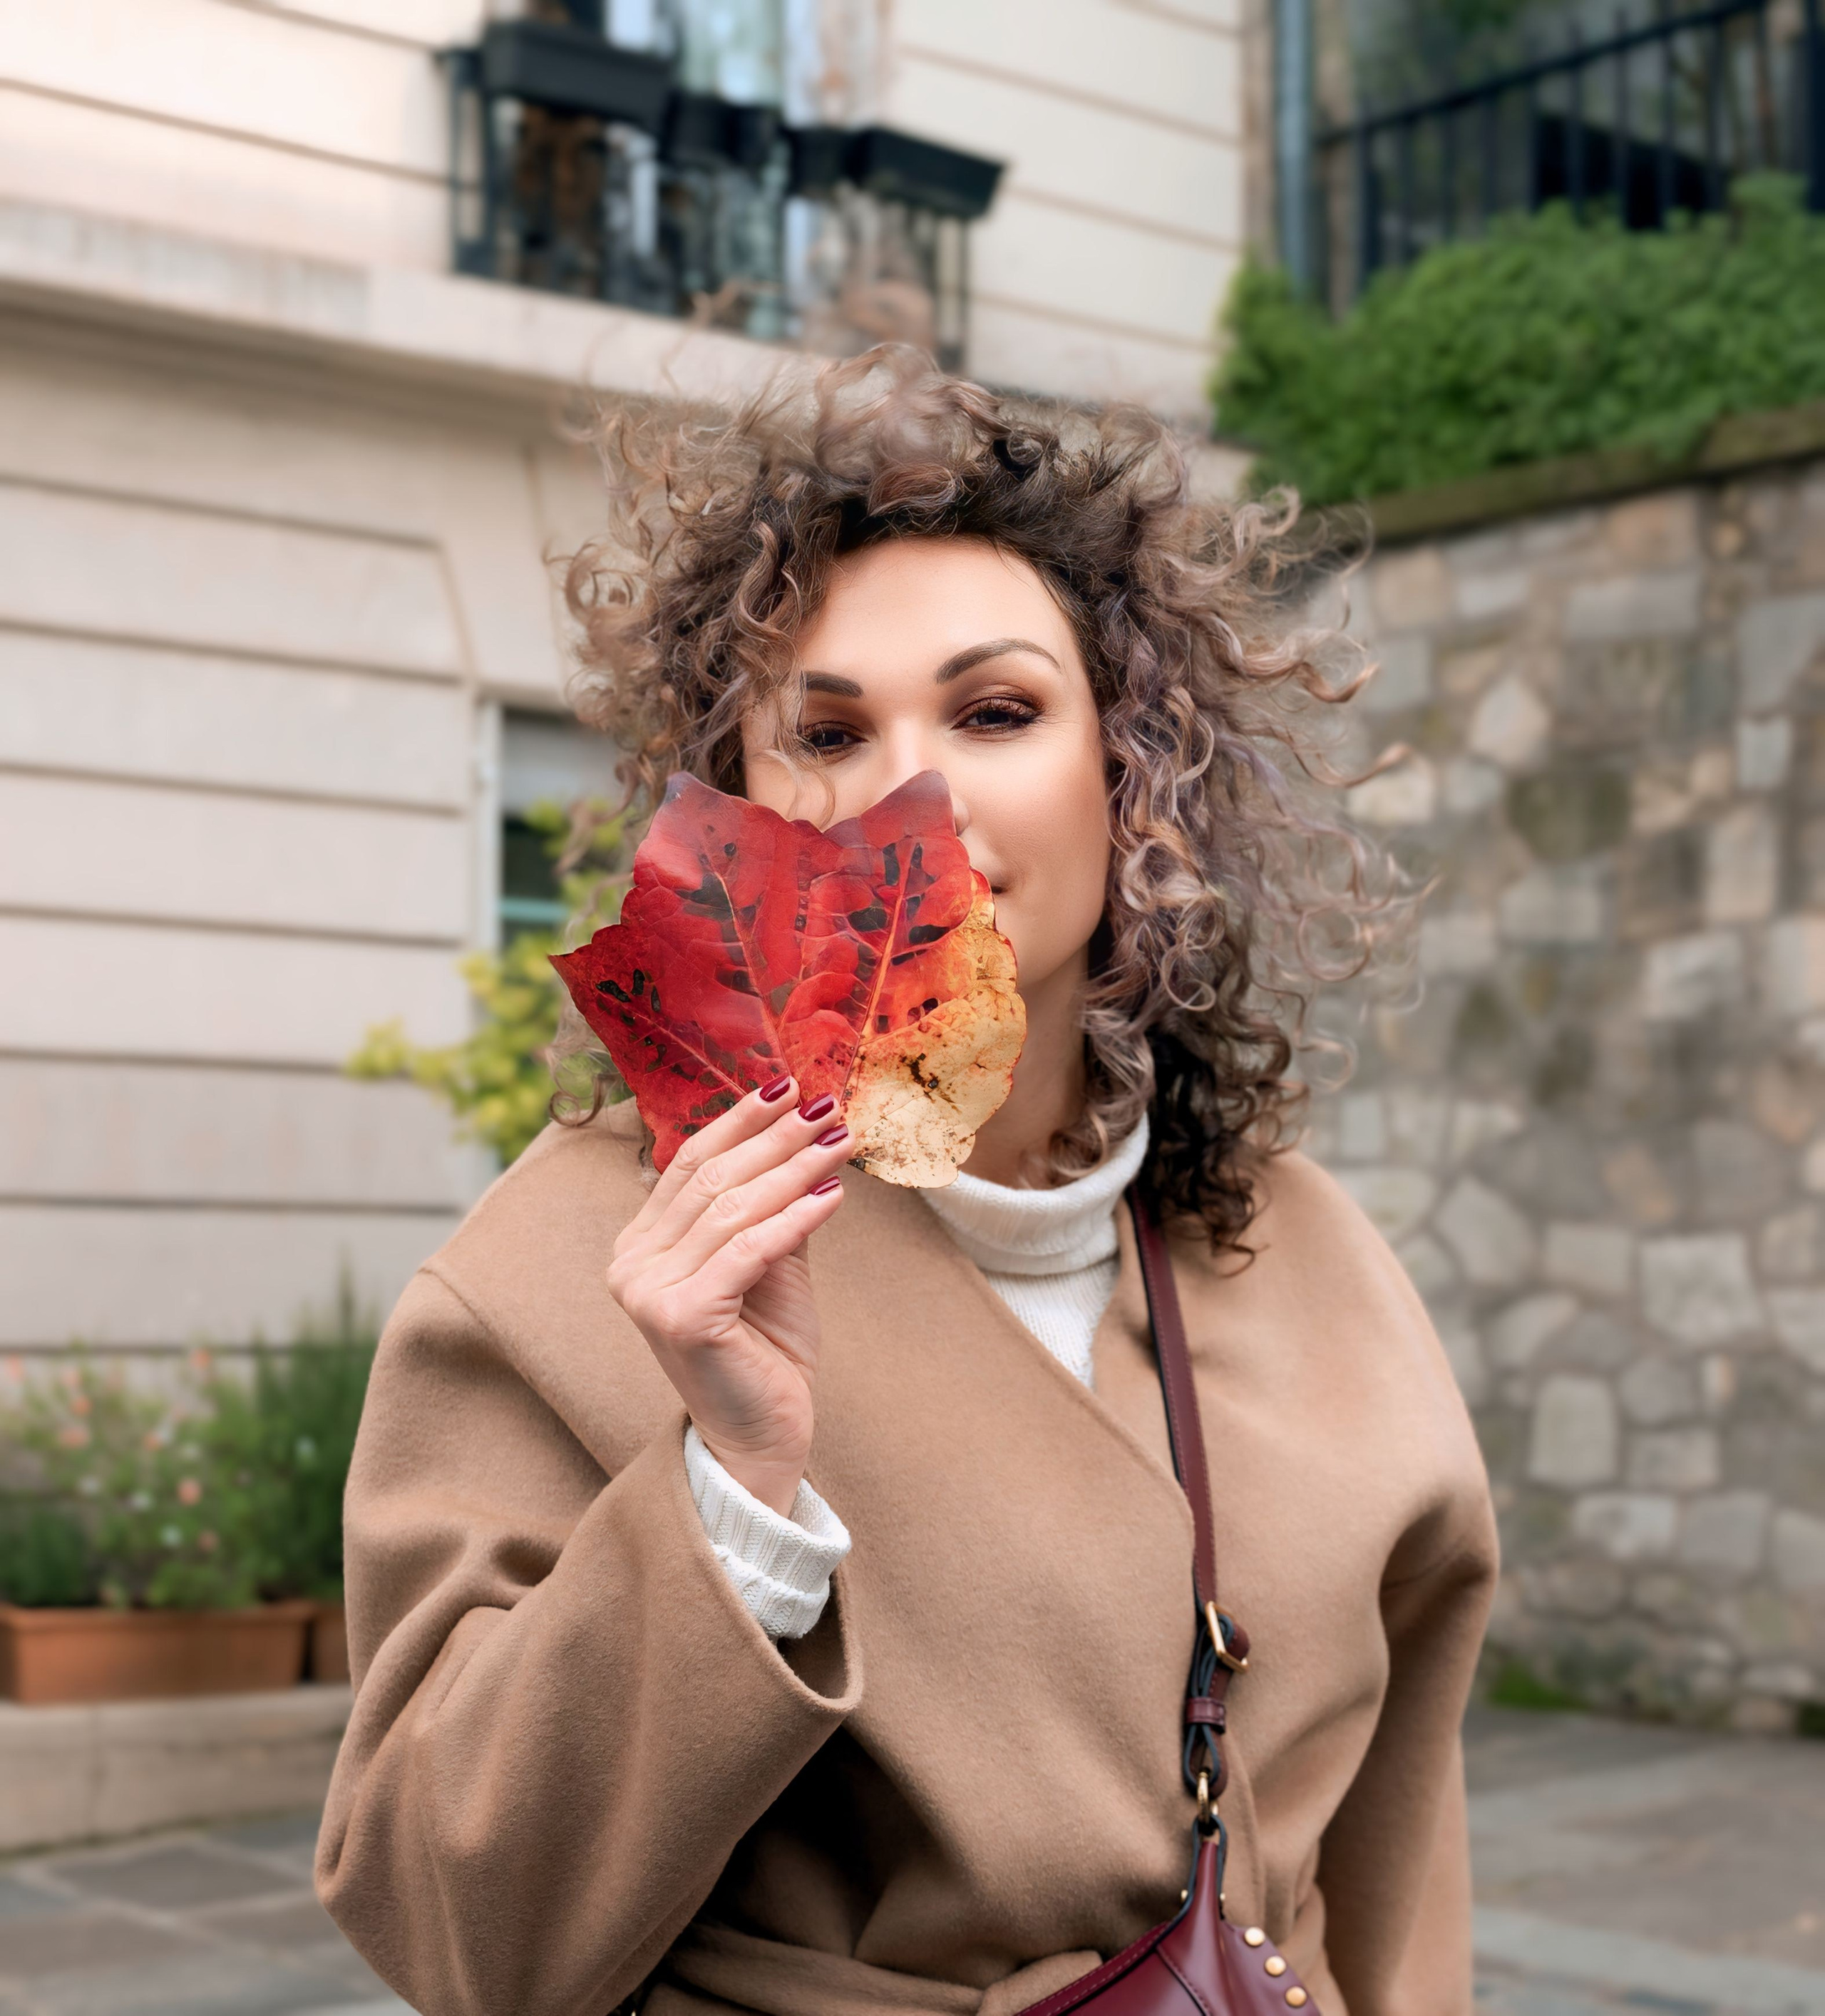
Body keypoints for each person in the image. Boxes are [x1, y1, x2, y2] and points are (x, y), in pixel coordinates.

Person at [316, 350, 1496, 2016]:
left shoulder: (1303, 1256)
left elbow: (1394, 1877)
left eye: (996, 711)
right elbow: (452, 1927)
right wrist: (731, 1487)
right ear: (737, 807)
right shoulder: (576, 1259)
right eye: (825, 729)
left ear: (1132, 775)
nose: (909, 790)